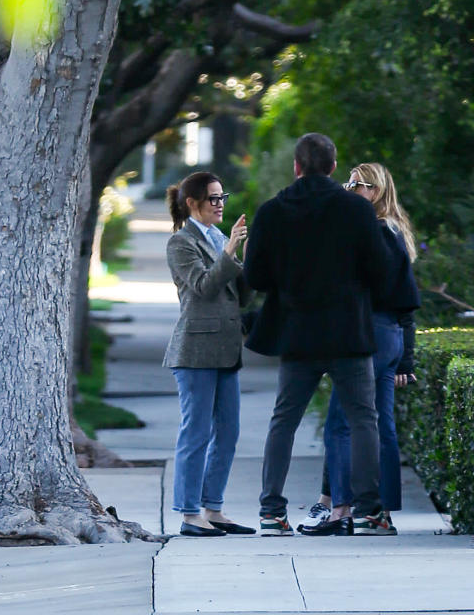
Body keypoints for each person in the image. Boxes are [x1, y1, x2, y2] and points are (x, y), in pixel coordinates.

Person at [244, 133, 397, 536]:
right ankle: (367, 512)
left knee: (284, 421)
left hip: (296, 332)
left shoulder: (272, 212)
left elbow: (255, 277)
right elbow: (381, 271)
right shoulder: (356, 211)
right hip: (348, 332)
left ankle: (271, 512)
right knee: (364, 419)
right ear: (332, 167)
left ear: (296, 167)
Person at [299, 163, 421, 536]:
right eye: (348, 182)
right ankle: (377, 513)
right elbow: (407, 298)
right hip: (386, 337)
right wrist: (405, 352)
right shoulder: (392, 230)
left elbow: (378, 290)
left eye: (360, 184)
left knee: (341, 424)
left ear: (378, 191)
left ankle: (342, 511)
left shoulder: (376, 232)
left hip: (367, 336)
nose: (350, 189)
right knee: (378, 424)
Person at [164, 171, 255, 537]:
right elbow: (202, 287)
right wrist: (230, 251)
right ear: (192, 203)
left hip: (226, 349)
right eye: (213, 198)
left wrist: (246, 259)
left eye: (222, 197)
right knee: (196, 433)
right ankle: (189, 513)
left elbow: (239, 296)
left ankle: (213, 508)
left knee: (229, 432)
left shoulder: (218, 238)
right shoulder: (181, 243)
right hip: (195, 351)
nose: (220, 204)